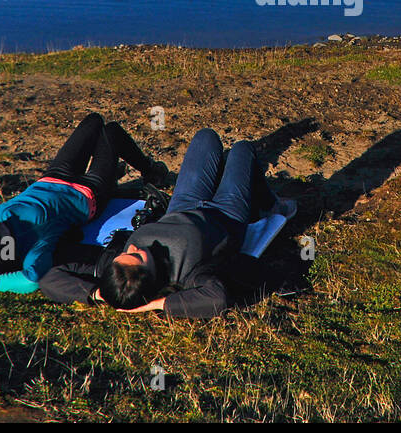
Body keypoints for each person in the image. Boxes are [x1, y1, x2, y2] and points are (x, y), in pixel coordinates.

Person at [0, 112, 165, 294]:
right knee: (111, 132)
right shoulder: (36, 246)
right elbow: (32, 280)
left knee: (93, 121)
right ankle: (150, 170)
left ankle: (114, 174)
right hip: (88, 194)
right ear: (5, 248)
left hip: (53, 178)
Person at [91, 128, 274, 319]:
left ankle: (223, 177)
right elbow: (217, 298)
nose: (132, 247)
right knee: (242, 149)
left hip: (183, 204)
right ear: (150, 276)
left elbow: (57, 279)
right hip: (226, 215)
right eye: (138, 256)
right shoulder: (185, 275)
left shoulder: (118, 272)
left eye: (124, 253)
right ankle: (272, 203)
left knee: (206, 137)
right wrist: (157, 305)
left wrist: (101, 295)